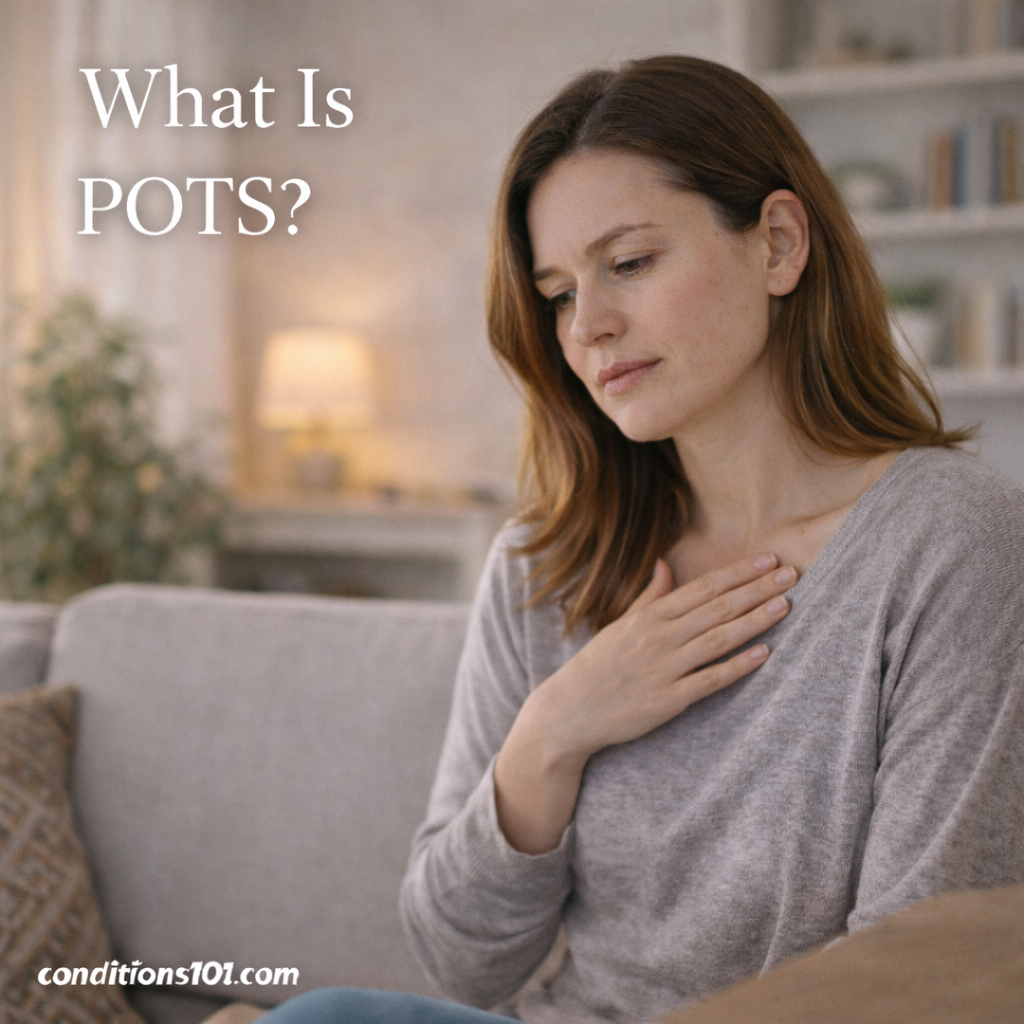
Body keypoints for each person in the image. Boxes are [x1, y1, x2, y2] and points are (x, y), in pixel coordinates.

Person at [261, 55, 1024, 1024]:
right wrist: (553, 732)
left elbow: (917, 976)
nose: (592, 328)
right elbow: (461, 963)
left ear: (779, 244)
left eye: (628, 263)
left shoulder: (956, 547)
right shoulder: (547, 564)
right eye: (559, 292)